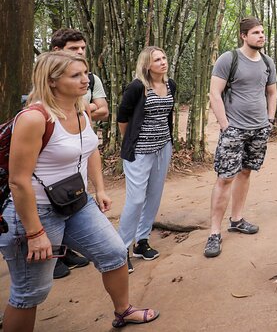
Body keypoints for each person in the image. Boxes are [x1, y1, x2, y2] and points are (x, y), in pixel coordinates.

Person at [0, 51, 158, 331]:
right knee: (30, 293)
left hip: (76, 202)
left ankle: (123, 311)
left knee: (114, 253)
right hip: (36, 212)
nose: (86, 80)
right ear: (51, 81)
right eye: (76, 75)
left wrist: (99, 189)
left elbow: (90, 150)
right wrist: (35, 233)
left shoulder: (81, 108)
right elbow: (18, 181)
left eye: (85, 73)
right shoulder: (34, 118)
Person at [204, 17, 277, 258]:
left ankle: (236, 219)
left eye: (263, 32)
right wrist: (226, 126)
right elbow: (214, 93)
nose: (261, 36)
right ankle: (214, 232)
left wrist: (270, 120)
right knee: (225, 177)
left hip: (259, 129)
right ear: (243, 36)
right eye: (256, 32)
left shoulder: (267, 62)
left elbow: (272, 91)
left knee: (245, 172)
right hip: (234, 129)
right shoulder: (229, 59)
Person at [50, 28, 109, 278]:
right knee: (53, 201)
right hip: (54, 158)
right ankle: (53, 256)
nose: (80, 52)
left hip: (82, 148)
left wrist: (86, 108)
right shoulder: (42, 89)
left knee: (75, 197)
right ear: (56, 52)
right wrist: (85, 107)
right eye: (74, 49)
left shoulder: (91, 79)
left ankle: (66, 249)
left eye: (82, 48)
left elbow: (103, 110)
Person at [117, 46, 176, 272]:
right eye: (157, 60)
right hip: (139, 151)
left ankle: (141, 242)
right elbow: (123, 117)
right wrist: (131, 139)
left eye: (164, 57)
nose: (162, 62)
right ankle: (121, 248)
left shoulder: (170, 85)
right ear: (146, 65)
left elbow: (167, 115)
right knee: (136, 199)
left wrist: (166, 141)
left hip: (163, 147)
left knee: (154, 195)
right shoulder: (137, 87)